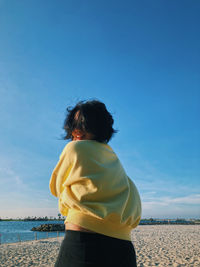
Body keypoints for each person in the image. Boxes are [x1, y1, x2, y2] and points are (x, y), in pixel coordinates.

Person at [49, 100, 142, 267]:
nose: (76, 130)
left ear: (97, 127)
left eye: (83, 124)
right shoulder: (115, 162)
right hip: (124, 249)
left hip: (84, 245)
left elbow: (56, 187)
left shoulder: (74, 148)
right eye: (74, 124)